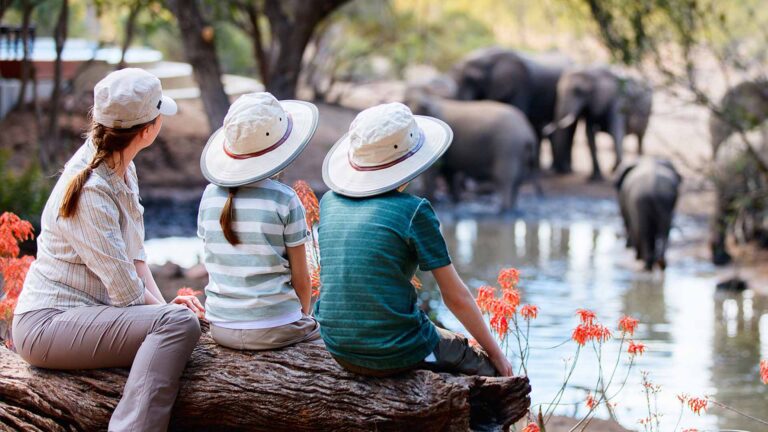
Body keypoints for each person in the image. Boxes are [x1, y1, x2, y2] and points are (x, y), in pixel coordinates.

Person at [12, 68, 203, 432]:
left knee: (176, 319)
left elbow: (136, 260)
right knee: (179, 323)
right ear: (147, 130)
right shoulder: (91, 189)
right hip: (47, 326)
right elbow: (127, 292)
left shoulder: (121, 168)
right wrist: (166, 315)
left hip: (82, 317)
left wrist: (163, 308)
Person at [315, 102, 514, 377]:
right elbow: (455, 297)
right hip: (394, 352)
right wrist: (497, 355)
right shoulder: (414, 210)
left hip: (337, 346)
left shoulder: (328, 202)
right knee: (484, 366)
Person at [197, 92, 321, 350]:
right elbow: (301, 278)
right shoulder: (285, 199)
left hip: (220, 326)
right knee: (326, 335)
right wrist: (301, 316)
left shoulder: (209, 195)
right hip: (276, 327)